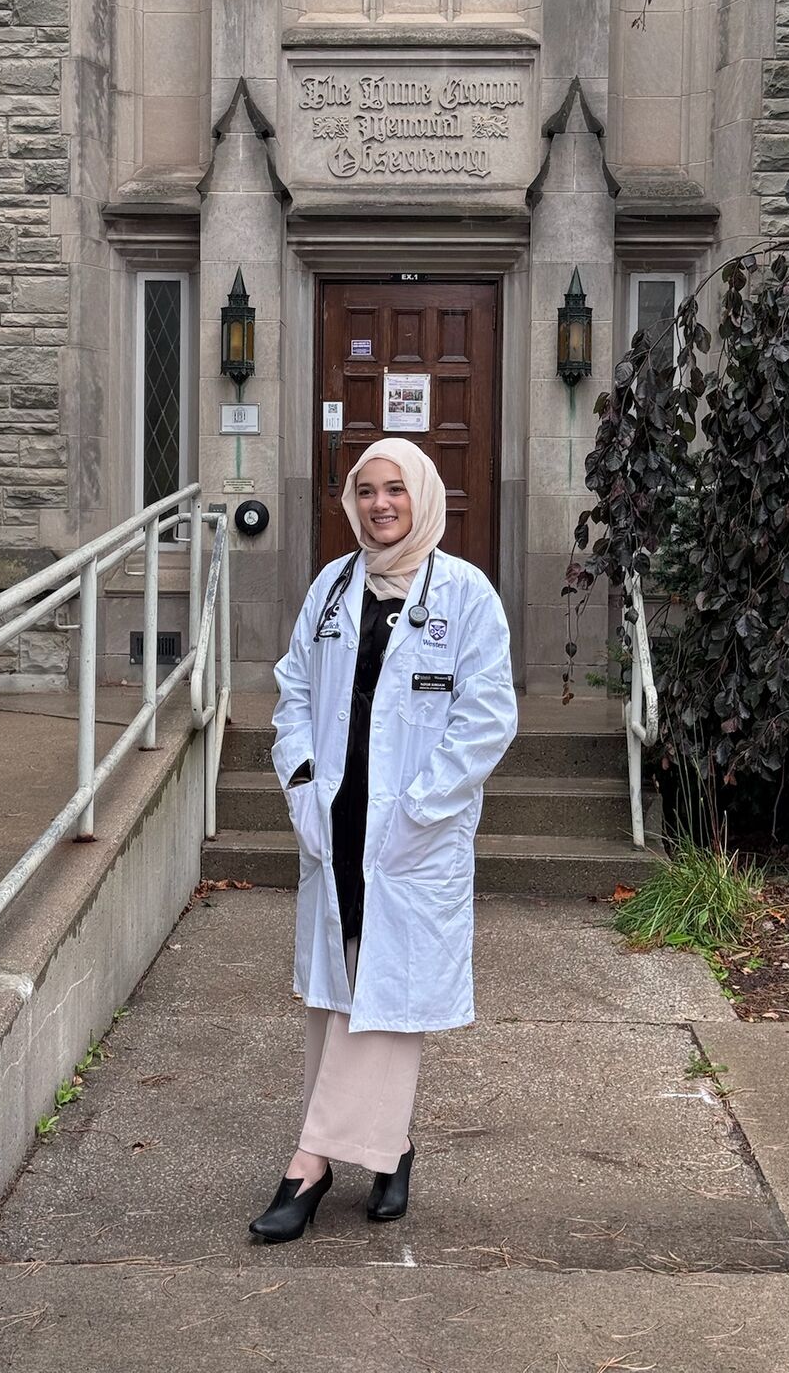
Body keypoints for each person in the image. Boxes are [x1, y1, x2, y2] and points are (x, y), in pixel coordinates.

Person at [249, 437, 518, 1243]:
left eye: (395, 489)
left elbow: (487, 718)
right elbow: (295, 693)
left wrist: (423, 805)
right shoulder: (332, 587)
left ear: (423, 495)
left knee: (385, 995)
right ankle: (389, 1147)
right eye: (366, 491)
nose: (380, 505)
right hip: (336, 817)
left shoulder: (465, 595)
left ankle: (309, 1162)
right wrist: (301, 779)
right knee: (340, 991)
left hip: (412, 832)